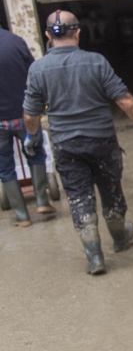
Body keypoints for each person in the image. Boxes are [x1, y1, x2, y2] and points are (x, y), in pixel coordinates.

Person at [23, 10, 133, 275]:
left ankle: (95, 257)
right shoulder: (96, 62)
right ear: (78, 32)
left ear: (46, 37)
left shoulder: (38, 69)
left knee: (78, 197)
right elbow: (125, 101)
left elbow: (31, 113)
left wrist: (32, 136)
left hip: (66, 145)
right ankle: (120, 238)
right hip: (102, 141)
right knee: (111, 192)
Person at [1, 24, 55, 227]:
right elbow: (33, 72)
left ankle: (22, 215)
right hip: (24, 113)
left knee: (5, 167)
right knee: (35, 153)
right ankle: (42, 200)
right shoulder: (15, 42)